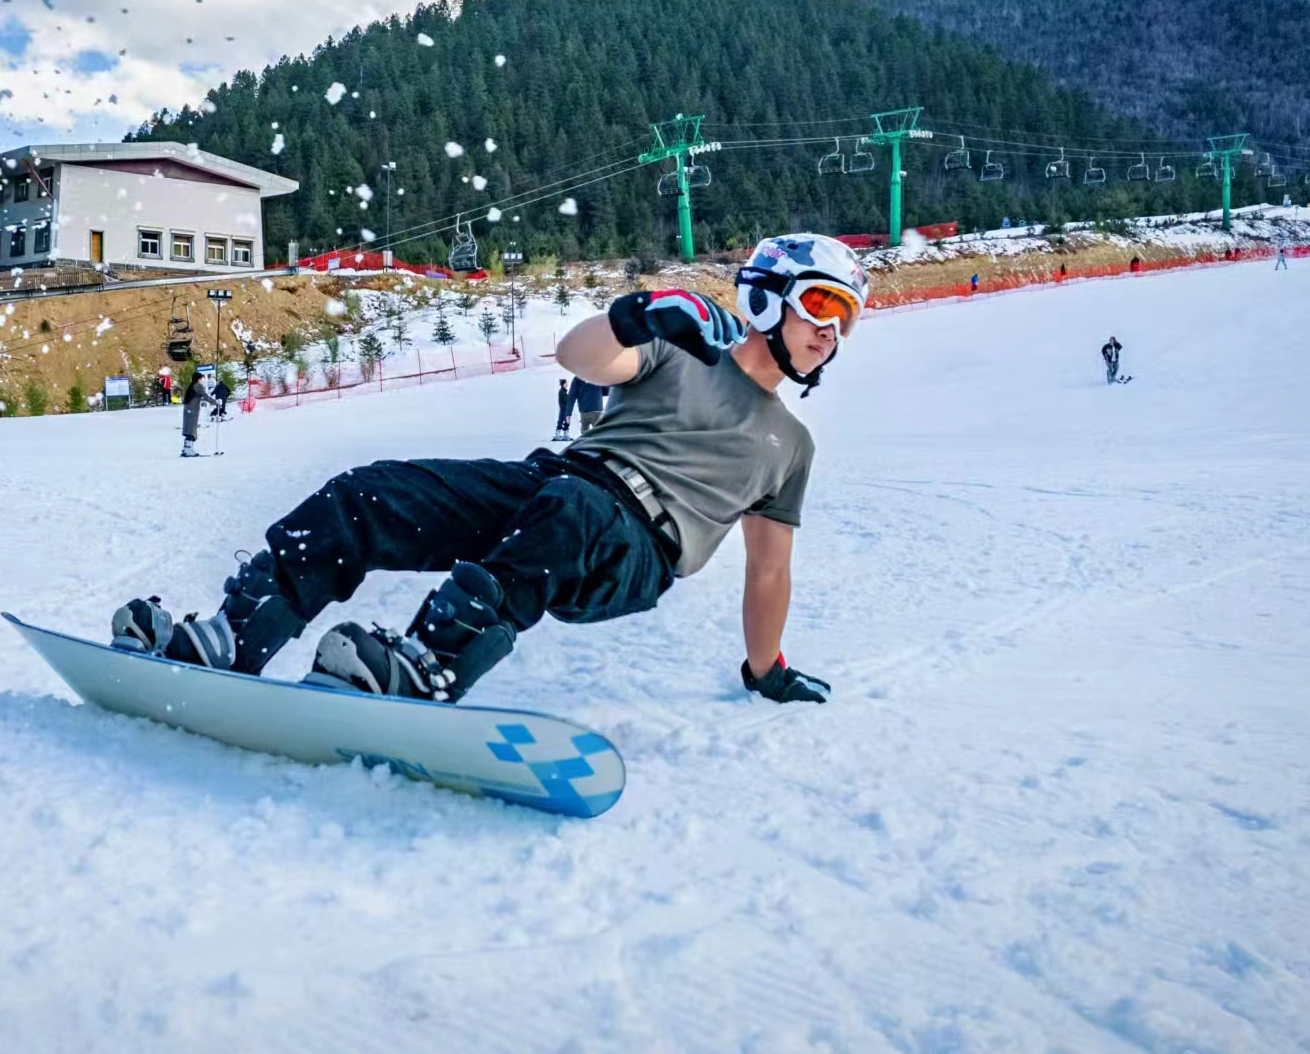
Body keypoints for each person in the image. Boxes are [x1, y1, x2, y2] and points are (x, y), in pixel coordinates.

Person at [111, 232, 868, 706]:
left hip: (634, 548)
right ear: (771, 296)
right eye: (822, 306)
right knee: (370, 492)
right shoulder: (681, 352)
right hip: (553, 487)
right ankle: (235, 636)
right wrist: (638, 315)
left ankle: (429, 665)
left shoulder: (789, 444)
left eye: (847, 321)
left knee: (574, 507)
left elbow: (769, 572)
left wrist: (765, 670)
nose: (831, 333)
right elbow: (583, 357)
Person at [179, 365, 213, 457]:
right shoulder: (198, 386)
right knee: (191, 430)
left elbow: (195, 397)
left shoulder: (191, 385)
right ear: (198, 378)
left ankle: (187, 448)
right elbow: (205, 396)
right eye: (201, 378)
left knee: (189, 429)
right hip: (192, 411)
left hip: (188, 410)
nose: (202, 380)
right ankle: (188, 450)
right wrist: (216, 402)